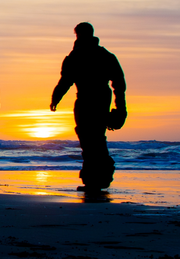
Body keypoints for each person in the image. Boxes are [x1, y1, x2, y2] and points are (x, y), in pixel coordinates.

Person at [50, 22, 127, 191]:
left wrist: (55, 98)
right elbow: (119, 84)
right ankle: (97, 178)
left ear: (78, 35)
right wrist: (121, 107)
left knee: (89, 138)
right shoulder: (105, 55)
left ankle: (96, 178)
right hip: (100, 98)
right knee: (95, 137)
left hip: (87, 99)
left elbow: (65, 81)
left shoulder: (77, 55)